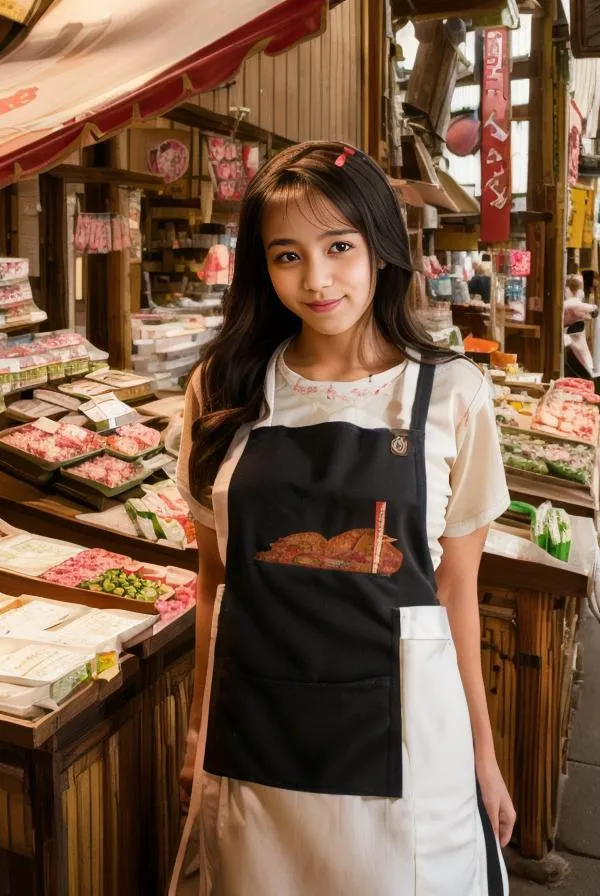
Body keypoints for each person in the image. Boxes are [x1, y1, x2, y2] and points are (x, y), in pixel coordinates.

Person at [171, 141, 515, 896]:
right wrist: (200, 728)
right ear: (262, 266)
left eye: (339, 247)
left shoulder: (452, 395)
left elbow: (458, 591)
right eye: (287, 255)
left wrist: (482, 755)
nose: (317, 279)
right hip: (255, 731)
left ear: (381, 249)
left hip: (408, 748)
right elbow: (213, 584)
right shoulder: (223, 390)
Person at [563, 273, 597, 380]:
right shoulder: (573, 304)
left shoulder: (567, 304)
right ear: (579, 291)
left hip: (570, 342)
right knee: (587, 369)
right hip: (573, 343)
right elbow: (593, 310)